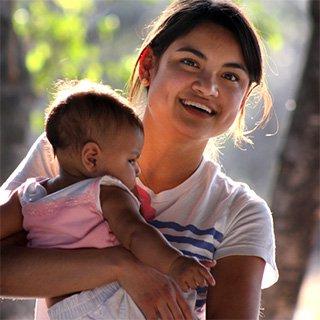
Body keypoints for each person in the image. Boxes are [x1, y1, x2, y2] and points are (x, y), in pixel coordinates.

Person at [0, 0, 279, 319]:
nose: (207, 87)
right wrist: (120, 266)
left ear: (243, 99)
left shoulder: (241, 212)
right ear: (148, 66)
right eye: (189, 62)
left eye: (231, 77)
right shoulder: (70, 154)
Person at [0, 80, 215, 319]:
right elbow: (135, 233)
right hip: (111, 298)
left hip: (63, 310)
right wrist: (176, 263)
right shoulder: (107, 192)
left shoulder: (30, 196)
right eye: (132, 160)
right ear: (91, 158)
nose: (137, 171)